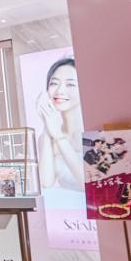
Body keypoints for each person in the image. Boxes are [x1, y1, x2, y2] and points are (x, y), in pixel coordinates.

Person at [36, 57, 84, 189]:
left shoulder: (92, 133)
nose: (59, 91)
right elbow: (45, 183)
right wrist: (47, 126)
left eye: (70, 84)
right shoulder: (45, 138)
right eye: (54, 83)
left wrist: (59, 136)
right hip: (66, 203)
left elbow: (88, 183)